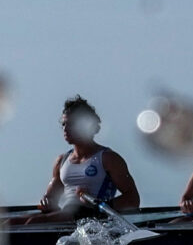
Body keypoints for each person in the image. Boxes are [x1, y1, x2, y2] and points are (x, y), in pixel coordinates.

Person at [20, 95, 140, 223]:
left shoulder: (109, 159)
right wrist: (47, 203)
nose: (65, 129)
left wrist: (98, 206)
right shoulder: (61, 161)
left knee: (33, 222)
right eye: (64, 124)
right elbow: (50, 200)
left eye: (71, 124)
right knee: (8, 223)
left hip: (93, 220)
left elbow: (132, 199)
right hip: (69, 217)